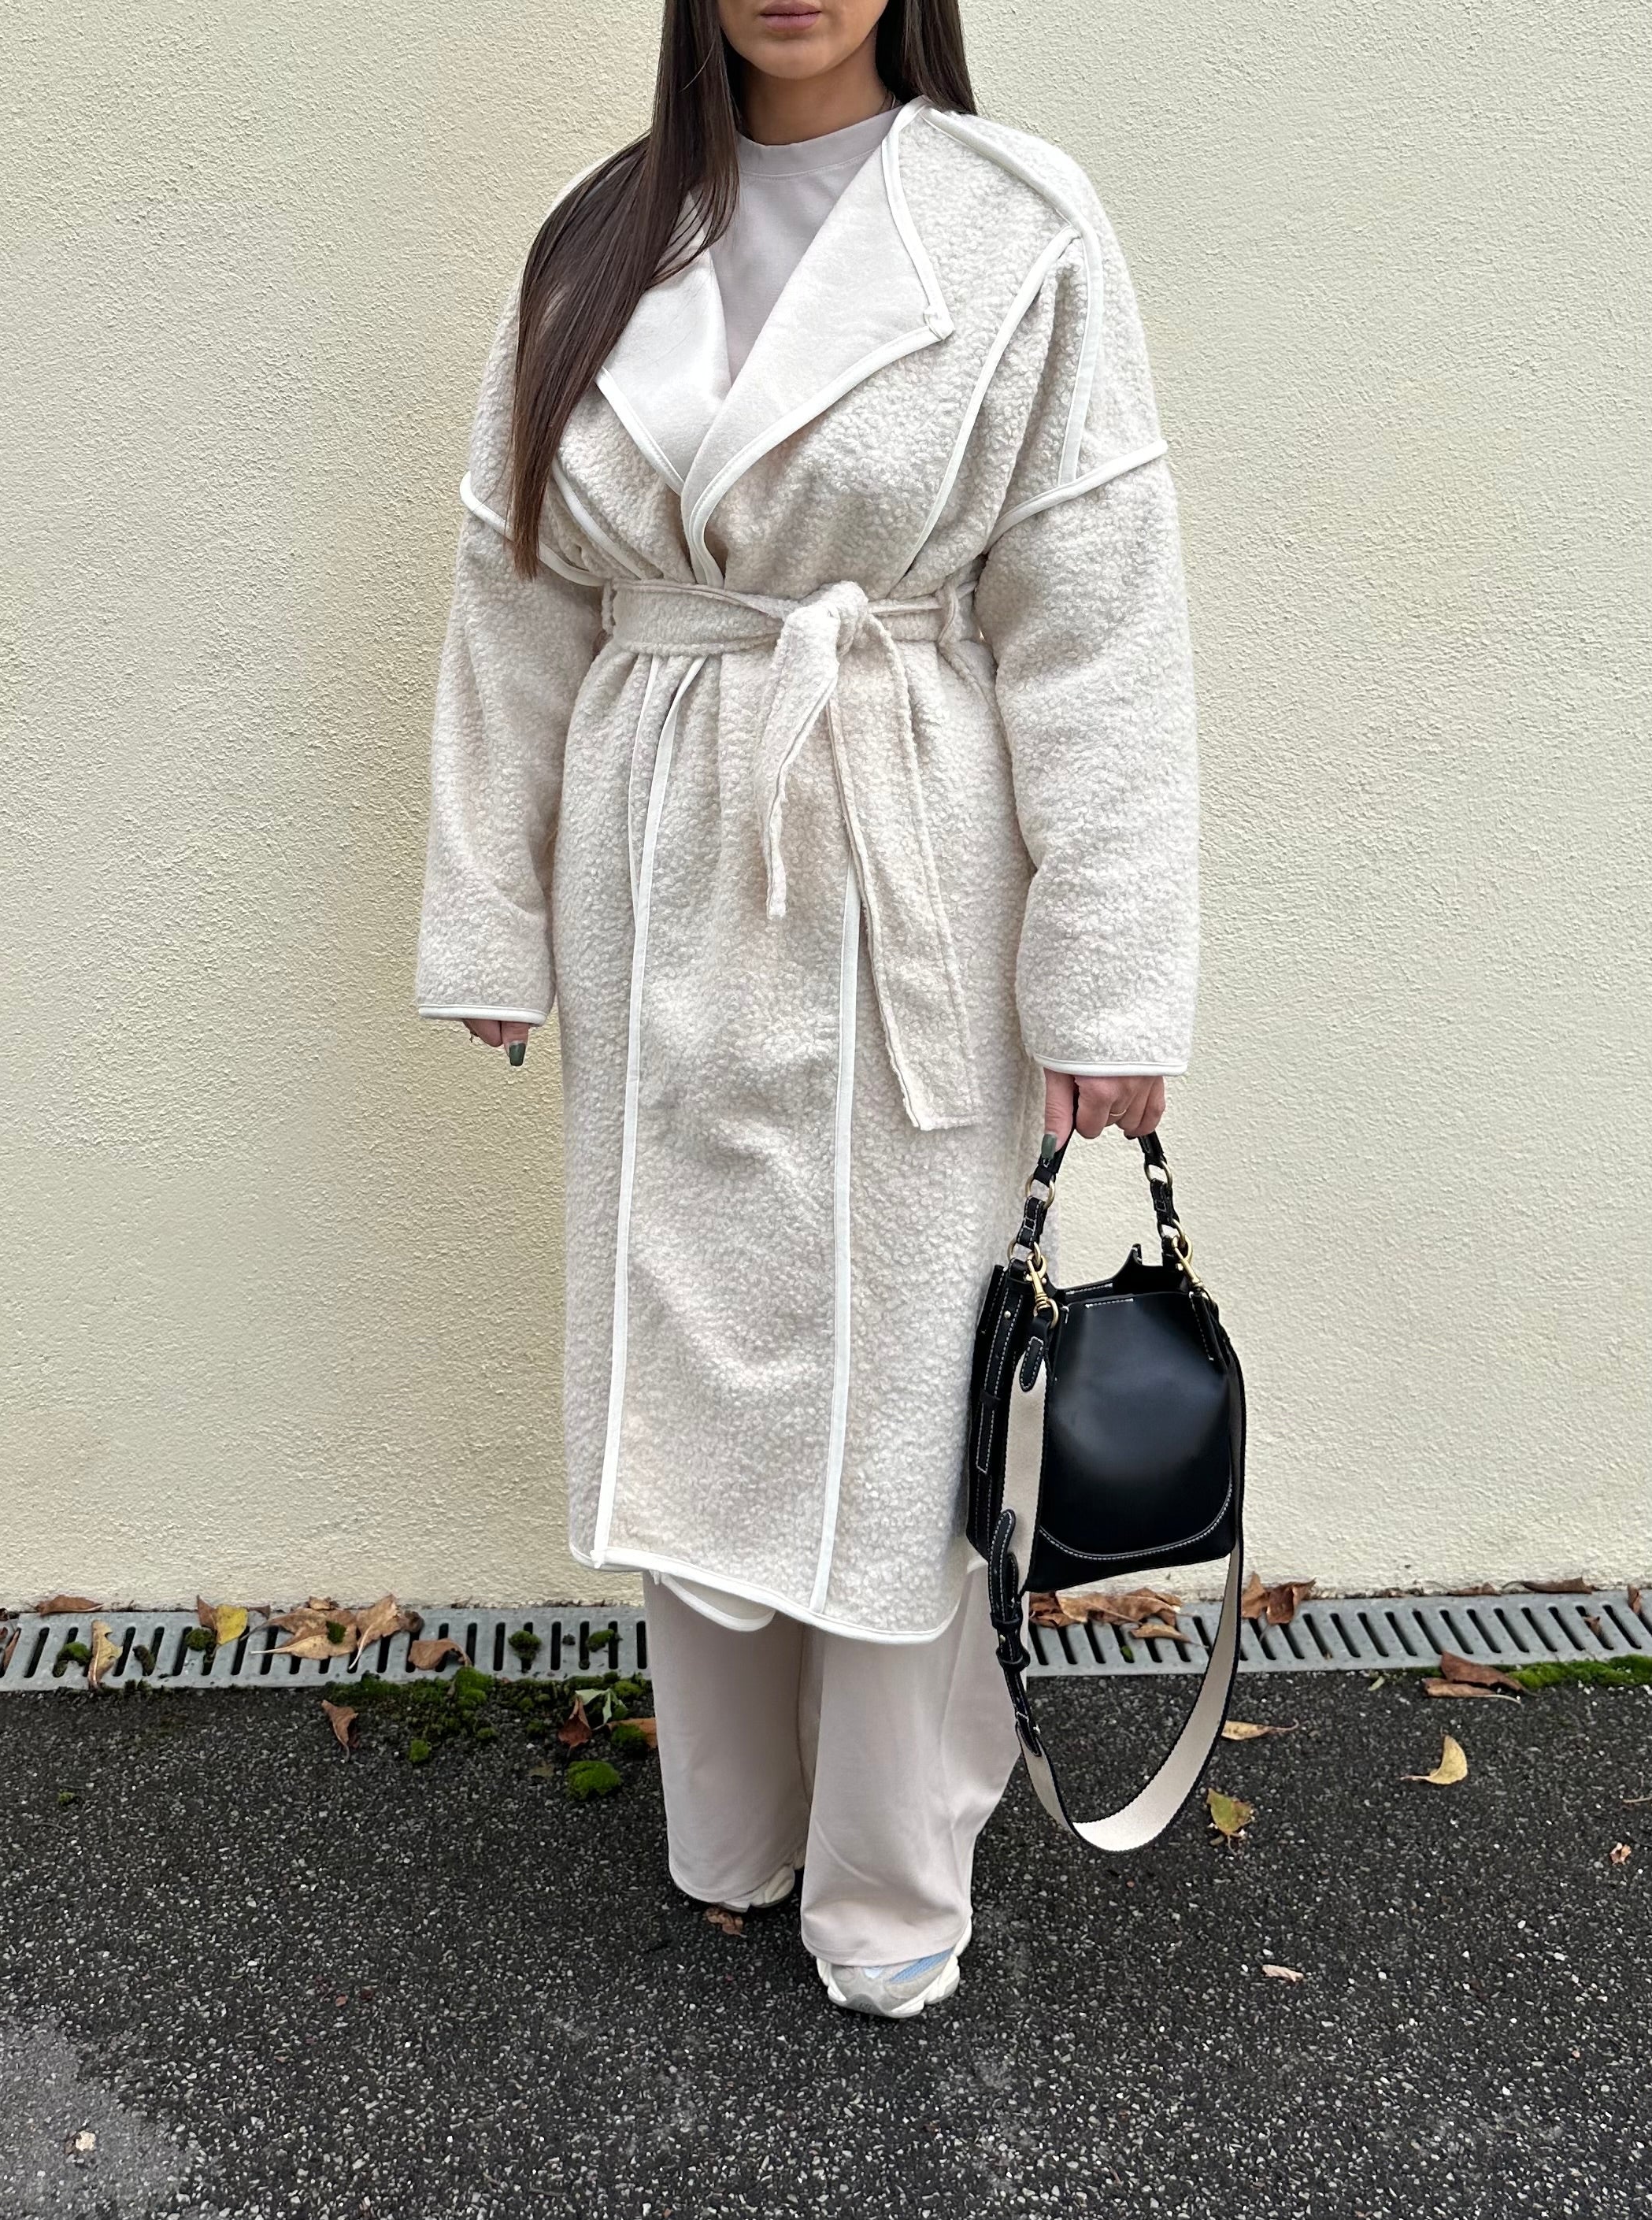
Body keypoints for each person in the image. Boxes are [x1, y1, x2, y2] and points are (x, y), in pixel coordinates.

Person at [414, 0, 1199, 2018]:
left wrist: (1105, 978)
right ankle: (731, 1830)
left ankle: (886, 1880)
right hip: (659, 859)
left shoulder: (1015, 221)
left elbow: (1097, 610)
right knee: (688, 1348)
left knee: (900, 1382)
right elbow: (513, 589)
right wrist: (491, 913)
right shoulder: (599, 232)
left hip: (899, 849)